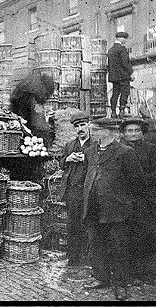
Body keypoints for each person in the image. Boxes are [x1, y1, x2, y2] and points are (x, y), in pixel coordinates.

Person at [82, 120, 146, 300]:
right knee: (96, 244)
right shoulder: (90, 152)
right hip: (93, 207)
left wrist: (125, 203)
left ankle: (120, 284)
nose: (91, 132)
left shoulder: (125, 153)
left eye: (95, 129)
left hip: (116, 209)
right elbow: (89, 175)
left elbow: (138, 184)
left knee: (118, 247)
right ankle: (100, 277)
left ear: (108, 132)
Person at [120, 118, 156, 283]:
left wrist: (140, 180)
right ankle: (129, 272)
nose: (133, 134)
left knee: (145, 234)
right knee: (126, 235)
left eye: (136, 130)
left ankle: (147, 272)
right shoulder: (118, 150)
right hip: (124, 199)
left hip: (145, 199)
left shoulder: (151, 150)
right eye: (129, 131)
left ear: (142, 133)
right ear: (124, 134)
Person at [58, 112, 94, 267]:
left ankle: (89, 257)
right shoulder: (70, 145)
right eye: (77, 126)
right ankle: (73, 257)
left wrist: (86, 159)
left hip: (90, 191)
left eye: (83, 125)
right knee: (73, 224)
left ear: (89, 125)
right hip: (73, 191)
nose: (80, 129)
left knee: (89, 224)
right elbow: (60, 163)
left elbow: (101, 162)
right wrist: (68, 159)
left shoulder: (95, 144)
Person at [107, 31, 134, 118]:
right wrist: (131, 73)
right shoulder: (122, 49)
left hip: (114, 77)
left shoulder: (110, 50)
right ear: (120, 38)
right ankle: (122, 111)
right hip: (123, 76)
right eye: (125, 39)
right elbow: (125, 63)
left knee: (115, 94)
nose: (126, 40)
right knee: (125, 92)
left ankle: (113, 112)